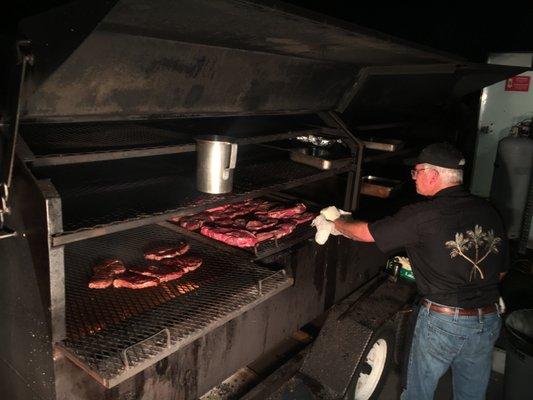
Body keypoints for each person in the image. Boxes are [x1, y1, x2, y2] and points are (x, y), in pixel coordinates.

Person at [332, 142, 508, 400]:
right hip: (489, 319)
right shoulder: (488, 210)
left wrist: (335, 221)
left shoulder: (423, 215)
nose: (413, 177)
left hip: (443, 321)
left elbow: (364, 233)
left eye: (416, 171)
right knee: (471, 395)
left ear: (433, 175)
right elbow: (500, 271)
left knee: (418, 393)